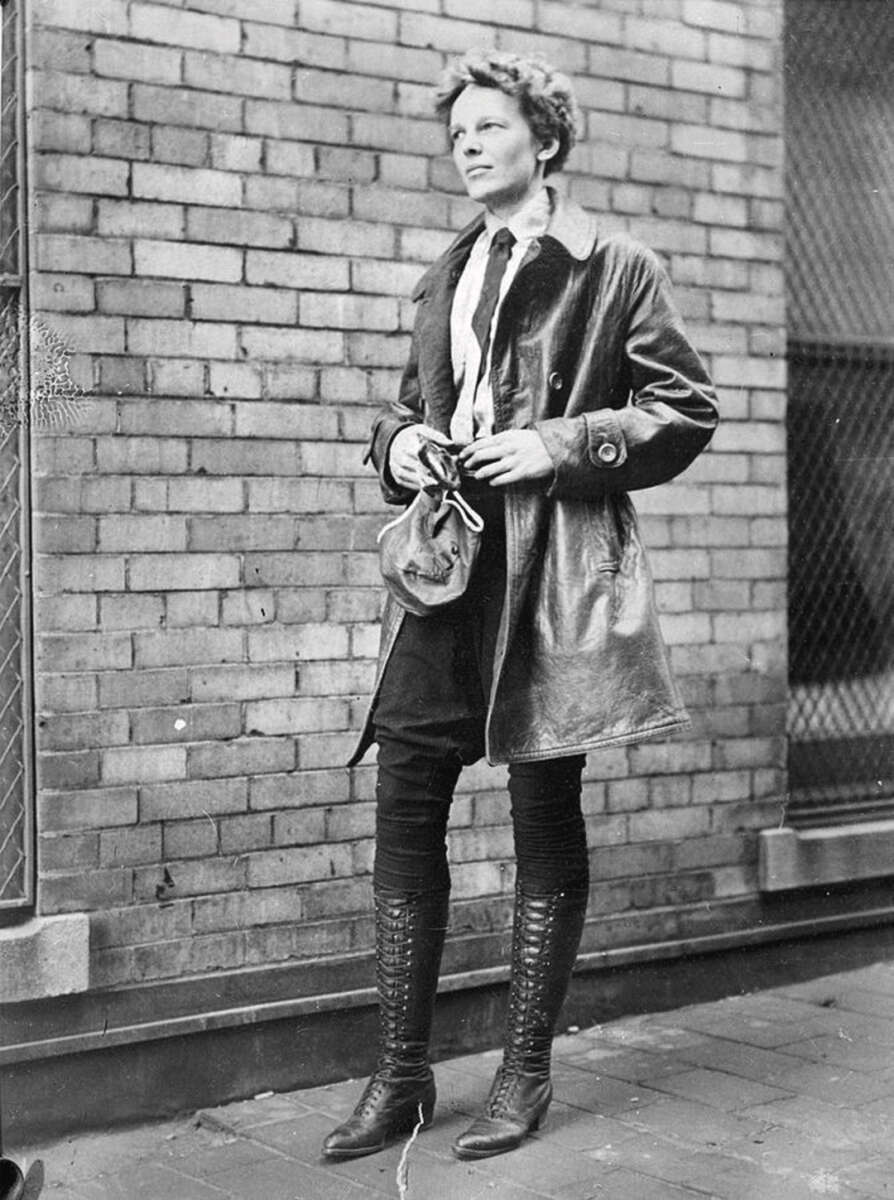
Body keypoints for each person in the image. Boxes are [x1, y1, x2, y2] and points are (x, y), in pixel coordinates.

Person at [324, 49, 718, 1162]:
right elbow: (407, 406)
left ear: (544, 140)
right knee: (407, 793)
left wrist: (554, 444)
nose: (469, 145)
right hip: (447, 568)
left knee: (543, 809)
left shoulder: (616, 266)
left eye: (490, 127)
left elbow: (685, 409)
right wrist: (401, 443)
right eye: (458, 133)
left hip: (551, 572)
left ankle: (524, 1076)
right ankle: (400, 1080)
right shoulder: (445, 272)